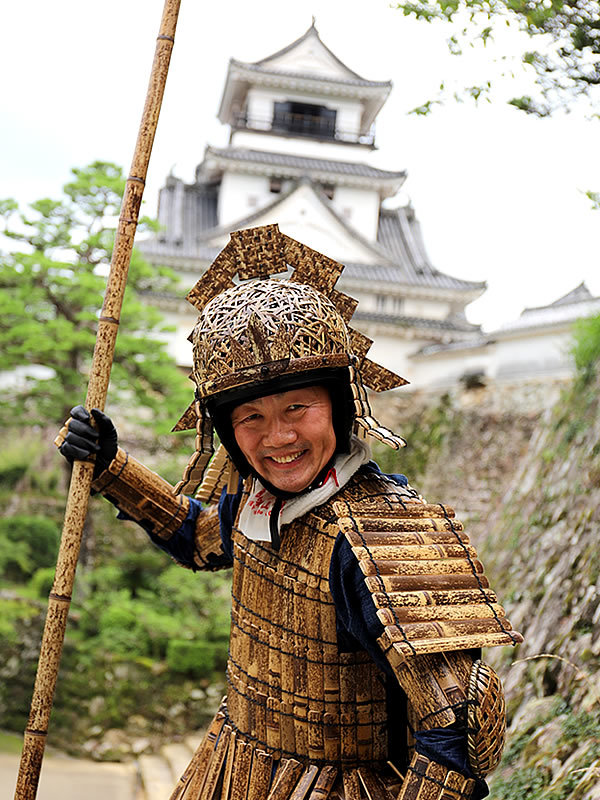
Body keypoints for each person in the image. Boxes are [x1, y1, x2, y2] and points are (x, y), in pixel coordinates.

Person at [58, 225, 522, 800]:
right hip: (233, 765)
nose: (277, 437)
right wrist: (109, 464)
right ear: (226, 431)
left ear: (341, 404)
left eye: (297, 406)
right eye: (249, 416)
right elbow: (199, 538)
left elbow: (458, 726)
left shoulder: (384, 534)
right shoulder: (257, 504)